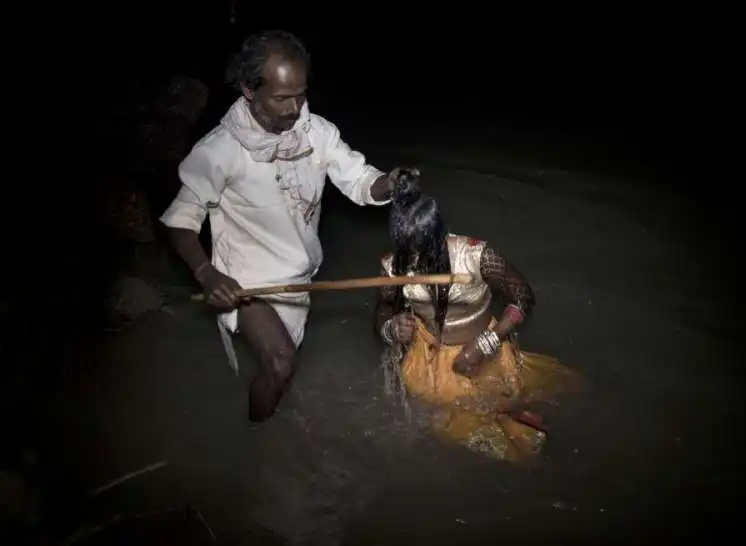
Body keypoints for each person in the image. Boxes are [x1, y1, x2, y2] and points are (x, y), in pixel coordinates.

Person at [160, 30, 405, 422]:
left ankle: (261, 428)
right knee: (280, 363)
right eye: (280, 98)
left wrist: (388, 184)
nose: (294, 109)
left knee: (279, 371)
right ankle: (255, 447)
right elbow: (179, 221)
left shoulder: (317, 134)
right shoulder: (219, 150)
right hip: (246, 283)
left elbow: (360, 181)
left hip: (298, 280)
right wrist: (207, 273)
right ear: (248, 90)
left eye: (300, 95)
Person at [375, 170, 584, 465]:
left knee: (545, 400)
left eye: (425, 252)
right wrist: (391, 327)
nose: (417, 263)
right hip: (431, 362)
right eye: (408, 252)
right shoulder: (392, 268)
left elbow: (524, 296)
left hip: (488, 351)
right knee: (462, 429)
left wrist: (487, 343)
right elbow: (382, 310)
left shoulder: (476, 255)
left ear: (439, 236)